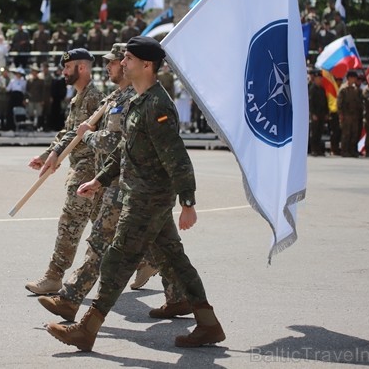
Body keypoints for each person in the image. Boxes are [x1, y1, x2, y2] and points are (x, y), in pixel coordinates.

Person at [46, 36, 225, 351]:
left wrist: (188, 203)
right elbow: (124, 151)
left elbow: (177, 157)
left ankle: (86, 330)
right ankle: (208, 324)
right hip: (139, 194)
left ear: (147, 65)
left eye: (127, 58)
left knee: (115, 259)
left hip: (148, 199)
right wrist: (100, 180)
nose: (122, 63)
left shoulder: (157, 105)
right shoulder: (139, 101)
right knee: (174, 261)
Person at [38, 42, 191, 323]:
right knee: (163, 246)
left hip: (130, 184)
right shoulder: (115, 97)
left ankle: (70, 299)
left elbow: (117, 143)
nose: (111, 66)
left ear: (130, 64)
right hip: (119, 182)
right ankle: (181, 298)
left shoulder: (141, 98)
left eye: (116, 61)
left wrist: (88, 137)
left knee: (99, 242)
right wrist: (59, 154)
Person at [25, 48, 103, 295]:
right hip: (81, 166)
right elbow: (66, 132)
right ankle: (147, 259)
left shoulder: (95, 98)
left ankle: (54, 275)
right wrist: (47, 155)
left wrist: (55, 154)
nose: (63, 72)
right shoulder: (77, 98)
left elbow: (80, 135)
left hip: (90, 168)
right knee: (107, 225)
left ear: (82, 68)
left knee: (71, 220)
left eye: (67, 67)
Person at [337, 70, 363, 157]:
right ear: (349, 78)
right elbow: (339, 103)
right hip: (346, 115)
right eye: (353, 78)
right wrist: (341, 115)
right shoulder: (343, 89)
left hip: (354, 115)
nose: (355, 80)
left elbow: (359, 102)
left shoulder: (356, 89)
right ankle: (344, 150)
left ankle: (353, 150)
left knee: (354, 133)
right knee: (346, 134)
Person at [308, 69, 328, 156]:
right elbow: (310, 102)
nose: (320, 80)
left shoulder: (322, 89)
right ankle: (313, 149)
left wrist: (327, 113)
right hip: (315, 114)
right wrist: (312, 114)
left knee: (320, 132)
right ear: (315, 79)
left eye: (321, 78)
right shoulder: (312, 89)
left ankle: (318, 149)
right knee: (314, 132)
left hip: (322, 113)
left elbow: (325, 101)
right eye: (318, 78)